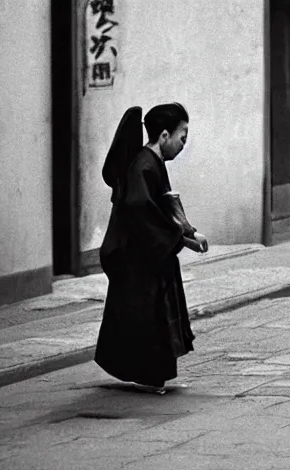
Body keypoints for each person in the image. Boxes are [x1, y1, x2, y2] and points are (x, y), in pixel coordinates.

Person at [95, 102, 207, 394]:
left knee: (151, 317)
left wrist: (188, 231)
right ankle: (150, 376)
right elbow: (140, 208)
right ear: (164, 136)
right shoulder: (144, 165)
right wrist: (178, 235)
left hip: (150, 255)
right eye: (182, 136)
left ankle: (153, 376)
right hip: (139, 259)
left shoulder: (153, 163)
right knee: (148, 318)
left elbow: (168, 203)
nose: (184, 143)